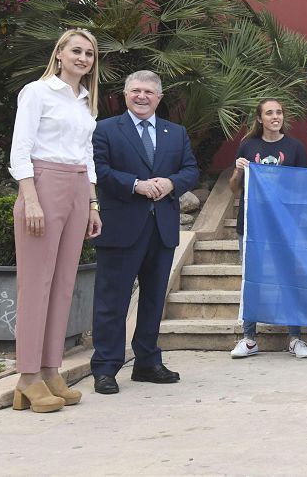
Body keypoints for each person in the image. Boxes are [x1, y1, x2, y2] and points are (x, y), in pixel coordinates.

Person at [9, 29, 102, 413]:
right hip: (43, 186)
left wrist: (94, 204)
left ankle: (50, 370)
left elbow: (87, 153)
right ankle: (26, 377)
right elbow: (21, 148)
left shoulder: (85, 102)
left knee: (64, 284)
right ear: (60, 54)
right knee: (36, 284)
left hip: (79, 187)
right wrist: (30, 198)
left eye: (90, 54)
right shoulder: (37, 92)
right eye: (76, 51)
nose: (83, 58)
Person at [91, 70, 199, 395]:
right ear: (125, 95)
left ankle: (147, 362)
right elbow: (100, 169)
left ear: (159, 97)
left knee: (153, 299)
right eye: (135, 90)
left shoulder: (175, 133)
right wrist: (135, 185)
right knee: (112, 300)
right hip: (121, 227)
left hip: (161, 228)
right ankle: (106, 367)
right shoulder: (105, 129)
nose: (142, 96)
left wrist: (171, 184)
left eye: (149, 92)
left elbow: (191, 170)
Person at [229, 99, 307, 360]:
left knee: (289, 278)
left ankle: (295, 337)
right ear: (260, 118)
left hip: (285, 226)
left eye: (278, 112)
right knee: (252, 279)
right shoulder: (248, 146)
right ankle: (249, 338)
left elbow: (305, 186)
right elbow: (234, 188)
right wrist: (238, 170)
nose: (275, 117)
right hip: (252, 224)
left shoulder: (295, 147)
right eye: (269, 113)